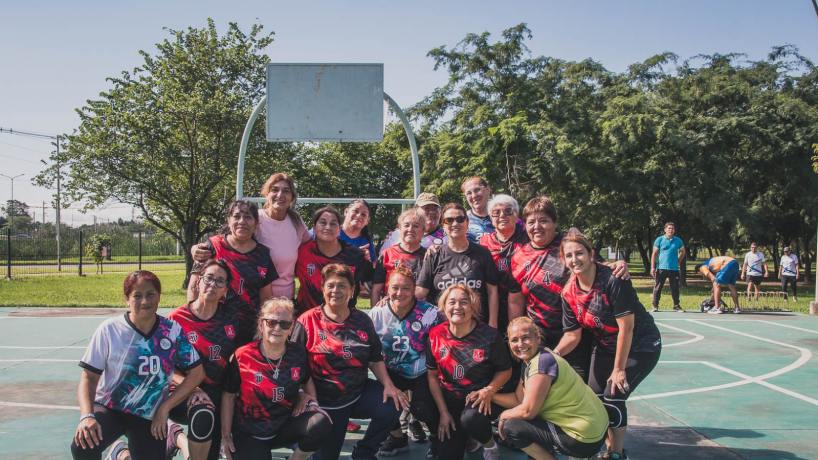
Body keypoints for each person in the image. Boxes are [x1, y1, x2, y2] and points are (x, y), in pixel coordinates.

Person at [71, 271, 204, 460]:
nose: (145, 301)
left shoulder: (172, 331)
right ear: (127, 299)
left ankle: (121, 453)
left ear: (159, 296)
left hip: (149, 414)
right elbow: (89, 377)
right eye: (137, 295)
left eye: (150, 294)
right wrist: (87, 416)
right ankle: (120, 452)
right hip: (111, 408)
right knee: (83, 444)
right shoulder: (110, 330)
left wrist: (165, 408)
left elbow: (197, 373)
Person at [554, 231, 661, 460]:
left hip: (641, 344)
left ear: (591, 254)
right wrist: (553, 355)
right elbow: (572, 335)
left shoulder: (613, 280)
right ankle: (603, 447)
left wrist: (618, 369)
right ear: (563, 259)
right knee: (593, 399)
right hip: (606, 345)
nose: (574, 259)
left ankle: (616, 453)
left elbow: (626, 328)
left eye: (579, 253)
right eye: (569, 255)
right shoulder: (568, 292)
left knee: (613, 395)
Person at [291, 263, 408, 460]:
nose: (336, 290)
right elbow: (292, 363)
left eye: (342, 286)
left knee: (394, 403)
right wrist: (302, 394)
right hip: (324, 403)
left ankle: (364, 453)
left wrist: (389, 385)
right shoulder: (307, 320)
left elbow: (375, 358)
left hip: (357, 394)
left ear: (352, 290)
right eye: (331, 285)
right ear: (323, 288)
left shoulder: (362, 320)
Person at [508, 197, 629, 349]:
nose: (537, 226)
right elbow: (516, 300)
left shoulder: (570, 244)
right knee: (541, 365)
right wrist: (515, 332)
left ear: (554, 223)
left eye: (543, 221)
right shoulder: (518, 257)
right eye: (531, 222)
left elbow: (597, 267)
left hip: (577, 331)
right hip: (538, 334)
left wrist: (617, 265)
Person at [220, 298, 332, 460]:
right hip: (250, 432)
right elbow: (228, 395)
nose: (277, 328)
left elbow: (306, 380)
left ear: (291, 328)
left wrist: (309, 400)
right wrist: (225, 435)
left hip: (284, 426)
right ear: (261, 324)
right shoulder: (242, 355)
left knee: (320, 423)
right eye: (271, 322)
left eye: (284, 324)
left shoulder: (298, 353)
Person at [493, 317, 608, 460]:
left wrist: (503, 416)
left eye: (525, 338)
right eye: (514, 340)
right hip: (596, 429)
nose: (520, 344)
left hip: (584, 438)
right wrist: (490, 395)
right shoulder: (539, 356)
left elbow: (527, 411)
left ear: (537, 338)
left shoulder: (541, 366)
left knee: (512, 427)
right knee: (524, 420)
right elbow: (519, 400)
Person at [424, 284, 512, 460]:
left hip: (478, 400)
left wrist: (489, 390)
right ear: (444, 307)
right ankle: (463, 437)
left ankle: (489, 444)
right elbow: (432, 377)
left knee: (471, 418)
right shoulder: (435, 334)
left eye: (464, 302)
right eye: (452, 302)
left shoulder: (489, 336)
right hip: (450, 401)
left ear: (473, 307)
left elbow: (505, 370)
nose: (457, 307)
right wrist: (443, 412)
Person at [161, 259, 239, 460]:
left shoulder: (231, 319)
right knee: (202, 413)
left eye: (220, 281)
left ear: (225, 290)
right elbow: (165, 366)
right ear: (198, 281)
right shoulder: (176, 319)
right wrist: (193, 388)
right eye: (209, 278)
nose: (212, 284)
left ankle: (177, 438)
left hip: (216, 393)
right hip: (180, 391)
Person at [192, 173, 310, 300]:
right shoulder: (253, 218)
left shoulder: (296, 222)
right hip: (254, 297)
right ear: (267, 194)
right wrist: (195, 249)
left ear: (292, 197)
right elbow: (224, 240)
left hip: (285, 300)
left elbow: (313, 243)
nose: (280, 195)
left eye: (286, 191)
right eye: (275, 190)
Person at [368, 266, 441, 456]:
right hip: (391, 371)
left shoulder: (430, 313)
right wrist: (387, 384)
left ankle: (437, 437)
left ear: (414, 289)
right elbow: (369, 351)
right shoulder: (377, 314)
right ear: (387, 288)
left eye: (406, 288)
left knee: (422, 407)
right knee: (382, 402)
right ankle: (397, 438)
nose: (399, 293)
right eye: (395, 287)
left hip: (422, 372)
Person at [187, 200, 278, 344]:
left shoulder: (263, 254)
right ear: (229, 220)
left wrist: (263, 327)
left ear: (256, 223)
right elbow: (194, 286)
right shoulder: (212, 246)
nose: (242, 221)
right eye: (236, 216)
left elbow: (266, 298)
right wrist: (194, 320)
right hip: (213, 326)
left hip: (249, 329)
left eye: (248, 217)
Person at [416, 202, 500, 328]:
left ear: (467, 223)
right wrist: (393, 296)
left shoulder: (482, 253)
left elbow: (492, 291)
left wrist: (493, 323)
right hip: (442, 329)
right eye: (449, 220)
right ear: (443, 225)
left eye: (460, 219)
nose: (455, 224)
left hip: (477, 328)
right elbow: (421, 291)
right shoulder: (434, 255)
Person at [294, 206, 372, 315]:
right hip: (307, 318)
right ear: (314, 228)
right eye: (323, 222)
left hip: (342, 319)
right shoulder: (302, 252)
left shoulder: (355, 256)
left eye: (333, 223)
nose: (328, 227)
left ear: (339, 229)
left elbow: (371, 285)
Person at [478, 194, 528, 336]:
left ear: (516, 215)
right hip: (492, 306)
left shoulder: (528, 239)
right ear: (490, 217)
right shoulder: (484, 242)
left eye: (508, 211)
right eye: (496, 212)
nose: (502, 215)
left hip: (523, 305)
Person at [371, 208, 427, 305]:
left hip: (419, 310)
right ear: (400, 229)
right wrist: (375, 311)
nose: (410, 229)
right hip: (392, 307)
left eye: (416, 226)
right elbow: (376, 290)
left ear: (423, 231)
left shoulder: (428, 256)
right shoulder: (387, 254)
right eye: (406, 225)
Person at [381, 192, 446, 250]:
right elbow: (384, 256)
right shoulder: (398, 234)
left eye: (435, 209)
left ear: (440, 212)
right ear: (416, 210)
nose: (431, 212)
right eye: (427, 208)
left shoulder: (447, 238)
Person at [650, 222, 685, 312]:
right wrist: (652, 267)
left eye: (672, 228)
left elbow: (682, 252)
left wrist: (678, 261)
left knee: (675, 288)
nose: (671, 230)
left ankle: (676, 306)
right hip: (661, 268)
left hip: (674, 269)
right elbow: (654, 254)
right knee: (658, 287)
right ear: (665, 230)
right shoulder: (659, 240)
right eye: (669, 228)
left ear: (674, 230)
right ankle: (655, 306)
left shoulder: (678, 240)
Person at [462, 176, 494, 244]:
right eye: (469, 193)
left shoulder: (503, 217)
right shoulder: (461, 220)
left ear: (488, 190)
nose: (474, 196)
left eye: (477, 190)